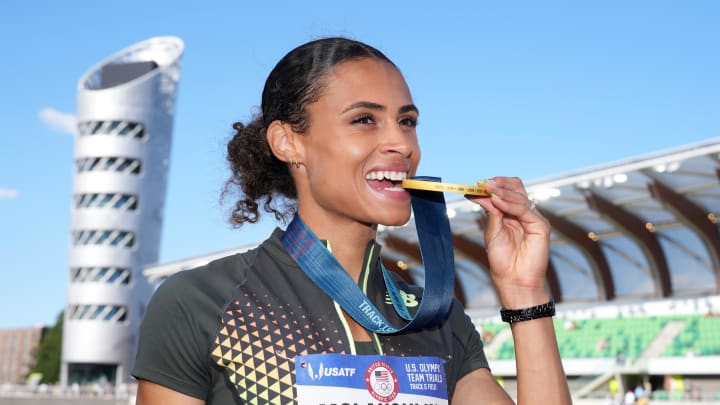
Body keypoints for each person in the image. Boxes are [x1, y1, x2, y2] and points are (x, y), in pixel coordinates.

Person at [132, 37, 571, 404]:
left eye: (407, 121)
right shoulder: (201, 303)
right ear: (288, 143)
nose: (401, 142)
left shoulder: (438, 319)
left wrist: (524, 294)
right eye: (365, 120)